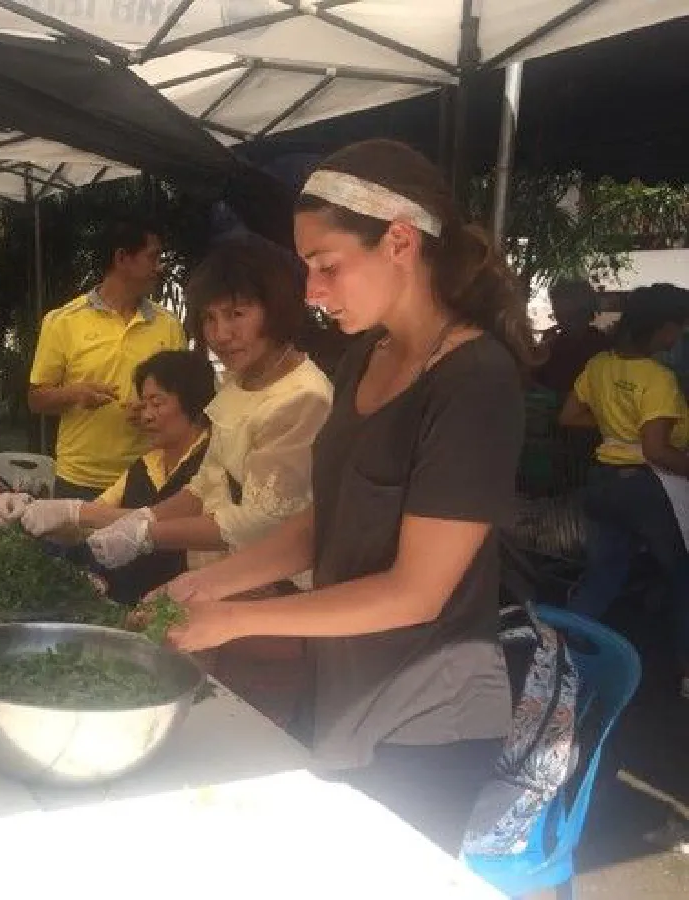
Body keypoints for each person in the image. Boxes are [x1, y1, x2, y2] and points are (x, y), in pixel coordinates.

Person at [154, 140, 531, 855]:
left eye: (327, 266)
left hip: (425, 717)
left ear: (399, 241)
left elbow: (416, 594)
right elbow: (325, 521)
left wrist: (233, 622)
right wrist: (203, 582)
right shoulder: (367, 354)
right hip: (343, 690)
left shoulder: (474, 382)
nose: (314, 291)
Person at [77, 235, 332, 575]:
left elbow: (263, 523)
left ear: (277, 309)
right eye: (209, 318)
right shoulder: (236, 380)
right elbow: (205, 485)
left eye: (236, 314)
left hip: (273, 584)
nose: (221, 333)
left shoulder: (303, 398)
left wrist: (147, 535)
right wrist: (139, 518)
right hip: (215, 573)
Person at [0, 349, 216, 604]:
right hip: (126, 602)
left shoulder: (214, 461)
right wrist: (28, 510)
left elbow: (167, 516)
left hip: (188, 608)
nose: (146, 415)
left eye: (158, 403)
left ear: (195, 403)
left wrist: (74, 510)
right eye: (144, 404)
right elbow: (86, 527)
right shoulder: (146, 464)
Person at [558, 283, 689, 696]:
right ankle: (686, 672)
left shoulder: (601, 364)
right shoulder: (657, 378)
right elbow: (657, 450)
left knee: (604, 573)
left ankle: (562, 655)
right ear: (664, 328)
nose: (679, 337)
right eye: (679, 329)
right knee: (683, 575)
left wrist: (615, 433)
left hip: (604, 484)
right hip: (650, 489)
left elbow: (568, 415)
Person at [28, 219, 186, 500]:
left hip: (149, 474)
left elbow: (187, 399)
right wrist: (75, 394)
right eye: (153, 257)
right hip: (79, 481)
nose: (159, 267)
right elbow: (36, 399)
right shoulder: (62, 321)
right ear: (122, 258)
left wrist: (155, 411)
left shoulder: (169, 325)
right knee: (77, 545)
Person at [533, 279, 610, 397]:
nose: (560, 320)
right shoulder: (554, 343)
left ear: (584, 312)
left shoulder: (600, 346)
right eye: (557, 314)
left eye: (569, 315)